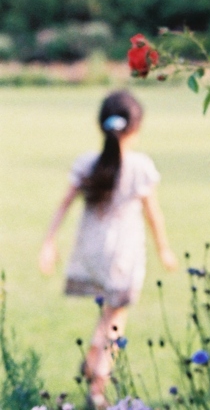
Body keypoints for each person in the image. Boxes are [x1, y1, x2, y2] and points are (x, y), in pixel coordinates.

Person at [39, 90, 177, 406]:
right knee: (115, 319)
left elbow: (64, 204)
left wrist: (49, 242)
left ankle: (91, 363)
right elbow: (152, 213)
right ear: (136, 127)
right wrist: (164, 249)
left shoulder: (87, 162)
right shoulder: (140, 166)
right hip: (124, 254)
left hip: (91, 250)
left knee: (107, 313)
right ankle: (97, 381)